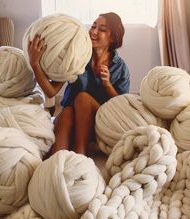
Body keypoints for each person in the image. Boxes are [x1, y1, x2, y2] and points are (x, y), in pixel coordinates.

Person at [28, 12, 130, 157]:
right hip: (72, 118)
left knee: (83, 98)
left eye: (102, 29)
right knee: (66, 113)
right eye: (93, 26)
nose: (93, 31)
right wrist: (35, 64)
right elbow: (51, 91)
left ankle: (81, 153)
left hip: (101, 122)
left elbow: (121, 106)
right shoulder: (77, 56)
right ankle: (57, 162)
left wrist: (107, 84)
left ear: (113, 37)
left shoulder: (120, 67)